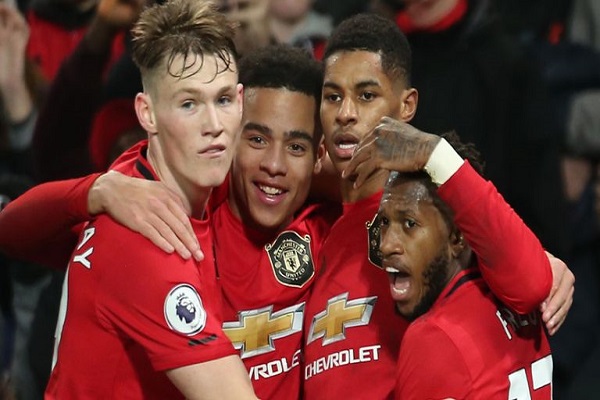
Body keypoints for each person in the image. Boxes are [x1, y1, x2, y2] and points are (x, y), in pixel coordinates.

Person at [0, 43, 337, 400]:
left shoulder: (327, 226)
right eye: (256, 139)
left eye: (296, 147)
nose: (275, 164)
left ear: (317, 156)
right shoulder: (153, 215)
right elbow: (10, 231)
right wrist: (94, 190)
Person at [301, 13, 567, 399]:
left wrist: (433, 152)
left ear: (407, 105)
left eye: (366, 95)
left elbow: (529, 282)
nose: (345, 113)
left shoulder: (440, 211)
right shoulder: (312, 215)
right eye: (332, 97)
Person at [38, 0, 257, 398]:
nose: (214, 126)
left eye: (223, 100)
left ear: (241, 101)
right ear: (147, 114)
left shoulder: (134, 168)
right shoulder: (148, 243)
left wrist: (92, 190)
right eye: (189, 104)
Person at [349, 119, 552, 398]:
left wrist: (433, 152)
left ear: (457, 238)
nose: (386, 246)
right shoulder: (521, 309)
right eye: (384, 223)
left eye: (409, 224)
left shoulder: (433, 337)